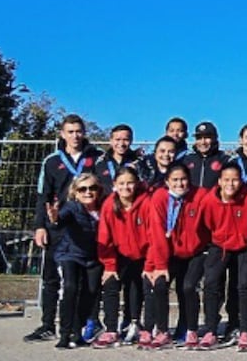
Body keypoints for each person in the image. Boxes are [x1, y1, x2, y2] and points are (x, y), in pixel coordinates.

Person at [24, 114, 103, 344]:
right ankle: (48, 324)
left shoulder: (96, 158)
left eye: (78, 131)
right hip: (57, 226)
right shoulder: (51, 160)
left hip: (85, 229)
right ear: (62, 133)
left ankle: (85, 324)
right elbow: (43, 196)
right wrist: (40, 226)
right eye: (70, 131)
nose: (75, 135)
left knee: (84, 282)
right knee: (51, 278)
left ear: (84, 132)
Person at [141, 163, 209, 349]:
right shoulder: (160, 198)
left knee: (187, 287)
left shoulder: (200, 195)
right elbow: (156, 234)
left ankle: (190, 329)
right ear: (167, 181)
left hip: (196, 252)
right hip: (169, 252)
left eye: (183, 179)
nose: (180, 184)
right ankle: (162, 330)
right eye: (175, 180)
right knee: (160, 283)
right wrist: (158, 265)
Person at [200, 164, 247, 349]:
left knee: (243, 286)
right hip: (219, 246)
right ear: (219, 181)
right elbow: (205, 223)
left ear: (241, 180)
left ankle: (243, 330)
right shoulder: (209, 200)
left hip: (245, 246)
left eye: (235, 179)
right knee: (211, 284)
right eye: (226, 179)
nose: (230, 183)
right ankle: (211, 329)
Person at [45, 172, 105, 349]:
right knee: (70, 288)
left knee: (90, 293)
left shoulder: (104, 208)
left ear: (99, 191)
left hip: (93, 257)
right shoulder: (72, 207)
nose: (88, 192)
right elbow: (61, 219)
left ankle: (78, 332)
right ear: (75, 193)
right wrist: (55, 218)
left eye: (92, 188)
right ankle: (65, 333)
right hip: (70, 254)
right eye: (83, 189)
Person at [92, 167, 148, 348]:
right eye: (122, 183)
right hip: (117, 254)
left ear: (137, 184)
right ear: (114, 185)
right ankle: (110, 329)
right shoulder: (109, 205)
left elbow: (153, 233)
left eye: (130, 183)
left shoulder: (146, 202)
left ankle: (134, 322)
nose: (126, 187)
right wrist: (109, 265)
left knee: (135, 287)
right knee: (110, 285)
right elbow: (104, 237)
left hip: (142, 254)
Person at [95, 124, 142, 194]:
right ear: (111, 140)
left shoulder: (139, 162)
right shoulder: (100, 162)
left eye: (125, 140)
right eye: (117, 139)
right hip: (105, 203)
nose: (121, 144)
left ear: (131, 140)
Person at [183, 121, 227, 190]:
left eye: (207, 137)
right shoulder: (187, 160)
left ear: (214, 138)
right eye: (199, 138)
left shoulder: (224, 159)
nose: (203, 142)